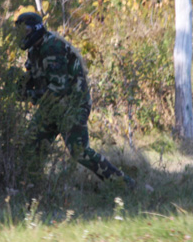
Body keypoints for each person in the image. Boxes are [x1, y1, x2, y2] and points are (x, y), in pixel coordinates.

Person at [13, 11, 136, 189]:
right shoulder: (35, 50)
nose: (21, 36)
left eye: (24, 31)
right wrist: (18, 85)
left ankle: (125, 185)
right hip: (53, 105)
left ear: (36, 30)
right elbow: (33, 78)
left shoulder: (52, 47)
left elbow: (58, 89)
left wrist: (28, 96)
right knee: (31, 144)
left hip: (73, 104)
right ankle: (32, 190)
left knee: (79, 151)